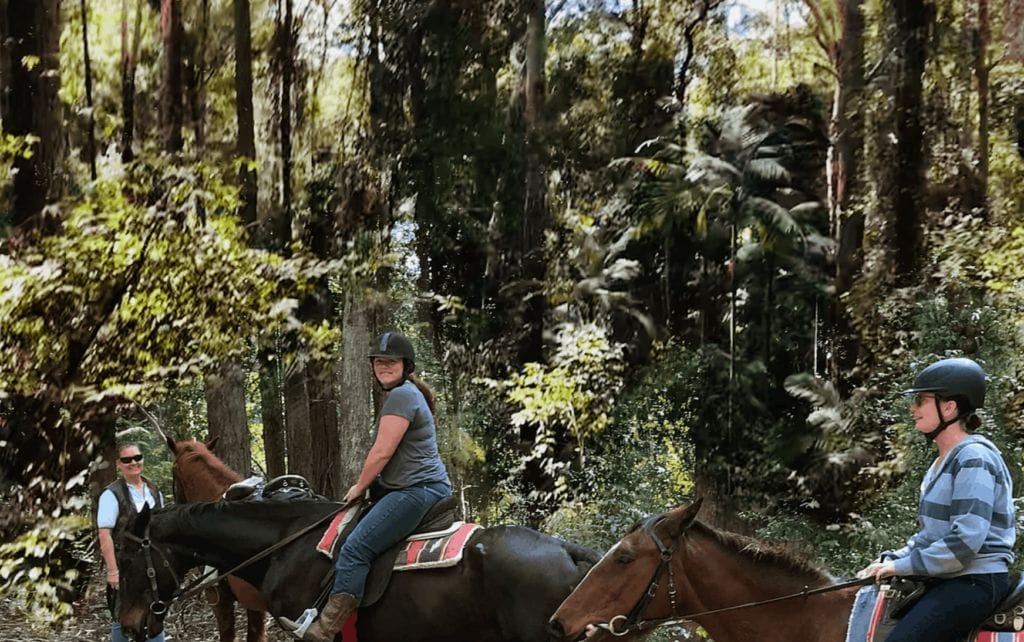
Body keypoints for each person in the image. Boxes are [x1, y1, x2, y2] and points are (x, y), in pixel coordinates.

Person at [303, 331, 453, 642]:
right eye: (379, 362)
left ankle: (328, 629)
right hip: (416, 488)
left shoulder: (402, 396)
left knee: (357, 548)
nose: (383, 367)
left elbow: (382, 451)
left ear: (406, 365)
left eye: (391, 362)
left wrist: (359, 486)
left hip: (416, 490)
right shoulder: (408, 394)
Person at [858, 357, 1015, 642]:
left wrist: (900, 567)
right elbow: (931, 537)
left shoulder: (974, 458)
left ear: (949, 407)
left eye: (920, 400)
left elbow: (965, 543)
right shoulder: (942, 462)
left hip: (974, 581)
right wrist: (892, 560)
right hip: (950, 577)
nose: (913, 408)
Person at [97, 442, 166, 642]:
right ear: (119, 464)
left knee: (155, 611)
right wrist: (112, 571)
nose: (133, 463)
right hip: (125, 565)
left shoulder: (154, 491)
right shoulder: (112, 495)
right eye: (127, 460)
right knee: (123, 614)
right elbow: (104, 534)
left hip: (151, 565)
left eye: (137, 458)